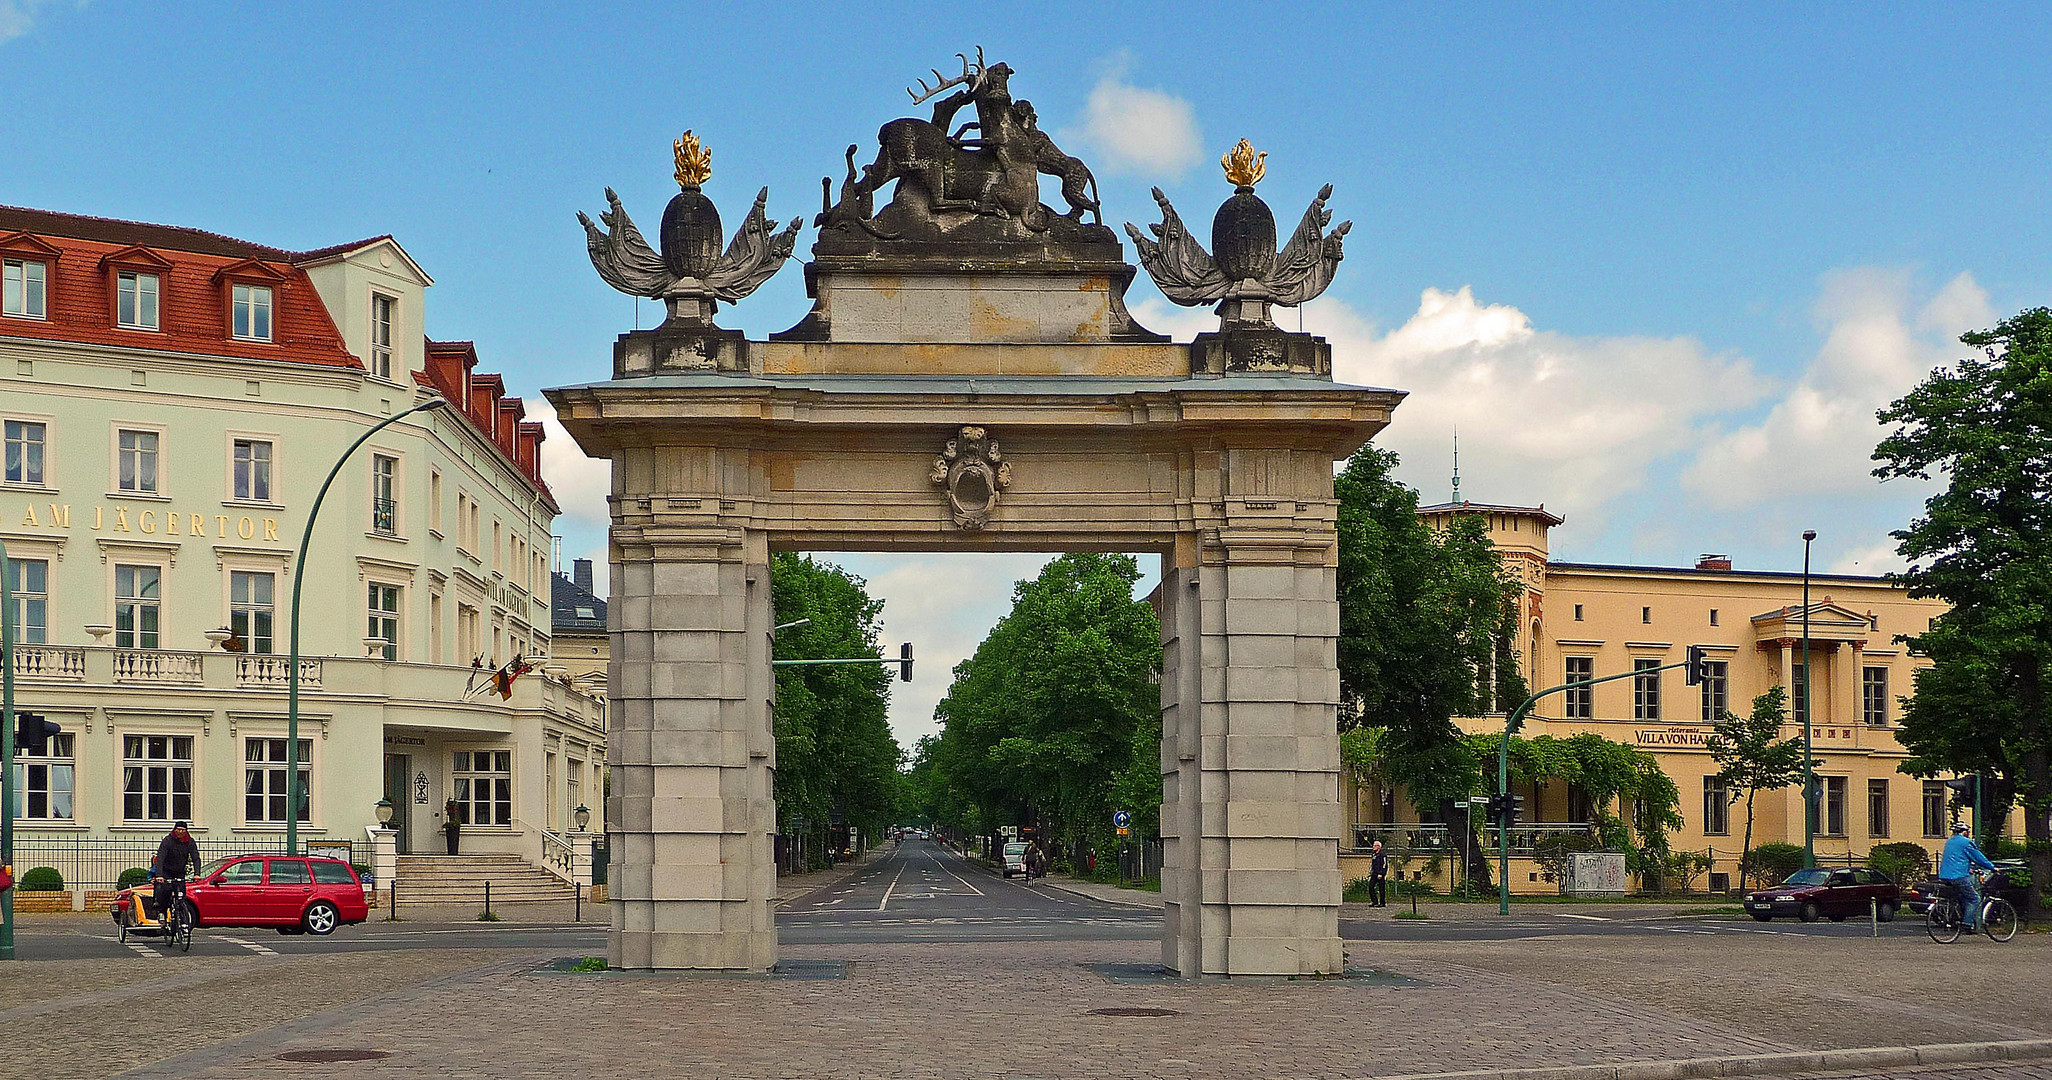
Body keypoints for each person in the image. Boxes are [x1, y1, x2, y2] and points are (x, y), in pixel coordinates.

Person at [1939, 821, 1997, 929]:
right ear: (1965, 832)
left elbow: (1956, 858)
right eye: (1968, 832)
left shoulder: (1950, 841)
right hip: (1958, 876)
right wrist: (1992, 868)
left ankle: (1961, 917)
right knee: (1974, 899)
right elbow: (1978, 858)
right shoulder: (1966, 842)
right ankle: (1967, 923)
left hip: (1944, 875)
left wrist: (1969, 869)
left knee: (1964, 897)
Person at [152, 820, 202, 920]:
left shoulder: (190, 842)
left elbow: (195, 858)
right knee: (165, 891)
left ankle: (182, 917)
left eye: (183, 830)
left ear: (186, 831)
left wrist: (197, 874)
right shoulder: (168, 840)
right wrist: (159, 875)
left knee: (181, 896)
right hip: (166, 872)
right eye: (178, 829)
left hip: (179, 872)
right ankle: (162, 912)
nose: (180, 832)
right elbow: (160, 858)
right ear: (174, 830)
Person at [1368, 841, 1389, 908]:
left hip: (1380, 874)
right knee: (1371, 886)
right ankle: (1374, 901)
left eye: (1375, 846)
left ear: (1378, 847)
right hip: (1374, 873)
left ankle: (1382, 902)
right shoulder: (1374, 854)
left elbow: (1384, 864)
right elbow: (1372, 864)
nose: (1373, 847)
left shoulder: (1382, 855)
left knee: (1381, 888)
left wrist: (1381, 873)